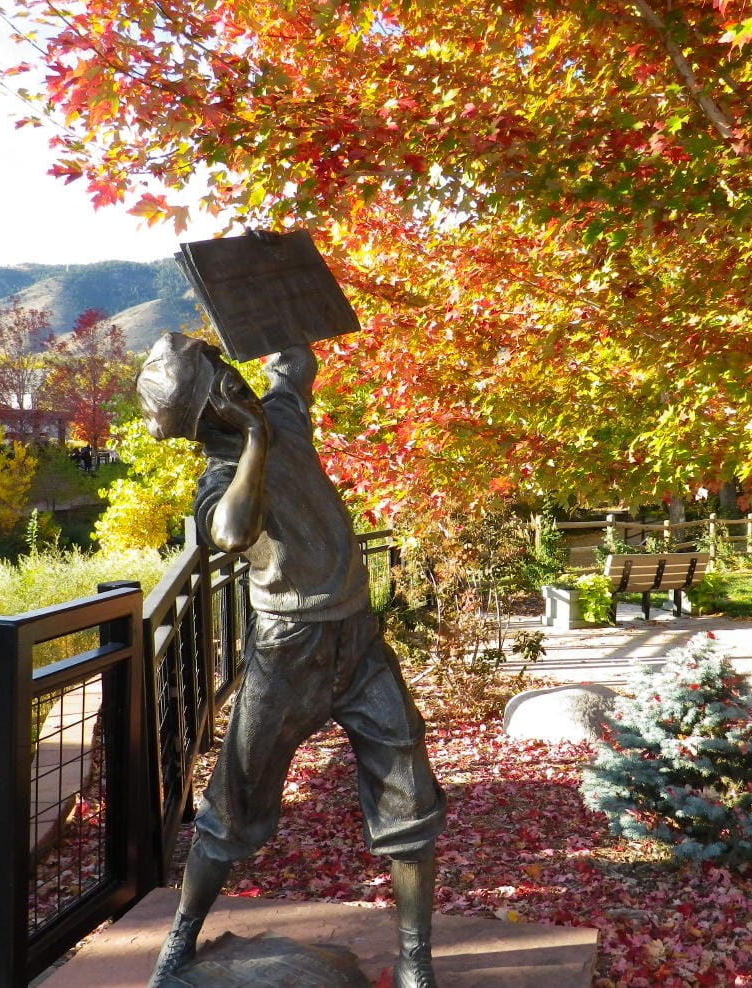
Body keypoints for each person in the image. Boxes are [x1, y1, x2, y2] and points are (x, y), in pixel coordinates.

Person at [136, 332, 446, 988]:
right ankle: (181, 938)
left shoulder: (284, 418)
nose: (236, 380)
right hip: (287, 654)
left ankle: (415, 959)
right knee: (232, 807)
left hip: (358, 643)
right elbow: (232, 533)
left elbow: (295, 361)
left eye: (228, 367)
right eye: (220, 379)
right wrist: (253, 438)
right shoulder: (220, 479)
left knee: (409, 793)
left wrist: (275, 308)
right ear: (208, 412)